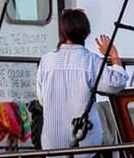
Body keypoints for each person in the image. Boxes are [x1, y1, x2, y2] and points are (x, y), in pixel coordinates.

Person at [36, 8, 128, 150]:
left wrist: (67, 16)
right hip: (86, 141)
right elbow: (117, 83)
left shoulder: (46, 61)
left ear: (62, 32)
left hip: (52, 143)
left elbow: (42, 99)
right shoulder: (91, 61)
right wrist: (113, 55)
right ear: (86, 33)